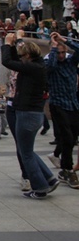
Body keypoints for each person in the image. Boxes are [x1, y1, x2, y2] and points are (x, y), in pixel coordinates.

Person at [1, 34, 59, 199]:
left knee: (25, 152)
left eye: (22, 56)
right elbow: (14, 63)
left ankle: (40, 187)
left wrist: (6, 44)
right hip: (33, 114)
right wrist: (13, 46)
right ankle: (49, 178)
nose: (21, 59)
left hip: (27, 114)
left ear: (28, 56)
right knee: (27, 150)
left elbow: (7, 62)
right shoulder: (37, 66)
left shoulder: (33, 68)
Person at [44, 32, 79, 189]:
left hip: (73, 103)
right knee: (67, 136)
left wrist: (65, 41)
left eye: (63, 52)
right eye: (59, 53)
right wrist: (53, 47)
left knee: (72, 138)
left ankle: (65, 169)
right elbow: (49, 66)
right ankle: (69, 169)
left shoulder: (71, 63)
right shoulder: (53, 65)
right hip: (58, 104)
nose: (61, 55)